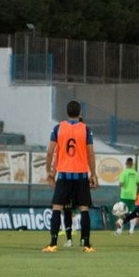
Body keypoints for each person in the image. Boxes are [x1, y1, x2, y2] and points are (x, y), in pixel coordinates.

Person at [42, 100, 99, 253]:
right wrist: (93, 174)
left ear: (66, 113)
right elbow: (90, 153)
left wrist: (49, 172)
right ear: (80, 113)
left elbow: (49, 152)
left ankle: (53, 244)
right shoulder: (86, 129)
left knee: (57, 208)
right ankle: (87, 245)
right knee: (84, 208)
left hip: (64, 175)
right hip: (80, 175)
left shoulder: (58, 128)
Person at [115, 157, 139, 235]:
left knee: (122, 212)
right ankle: (131, 230)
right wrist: (136, 194)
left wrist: (121, 184)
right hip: (133, 196)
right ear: (132, 164)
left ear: (126, 164)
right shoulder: (135, 173)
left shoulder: (124, 172)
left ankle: (119, 231)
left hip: (125, 195)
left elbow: (121, 183)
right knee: (132, 212)